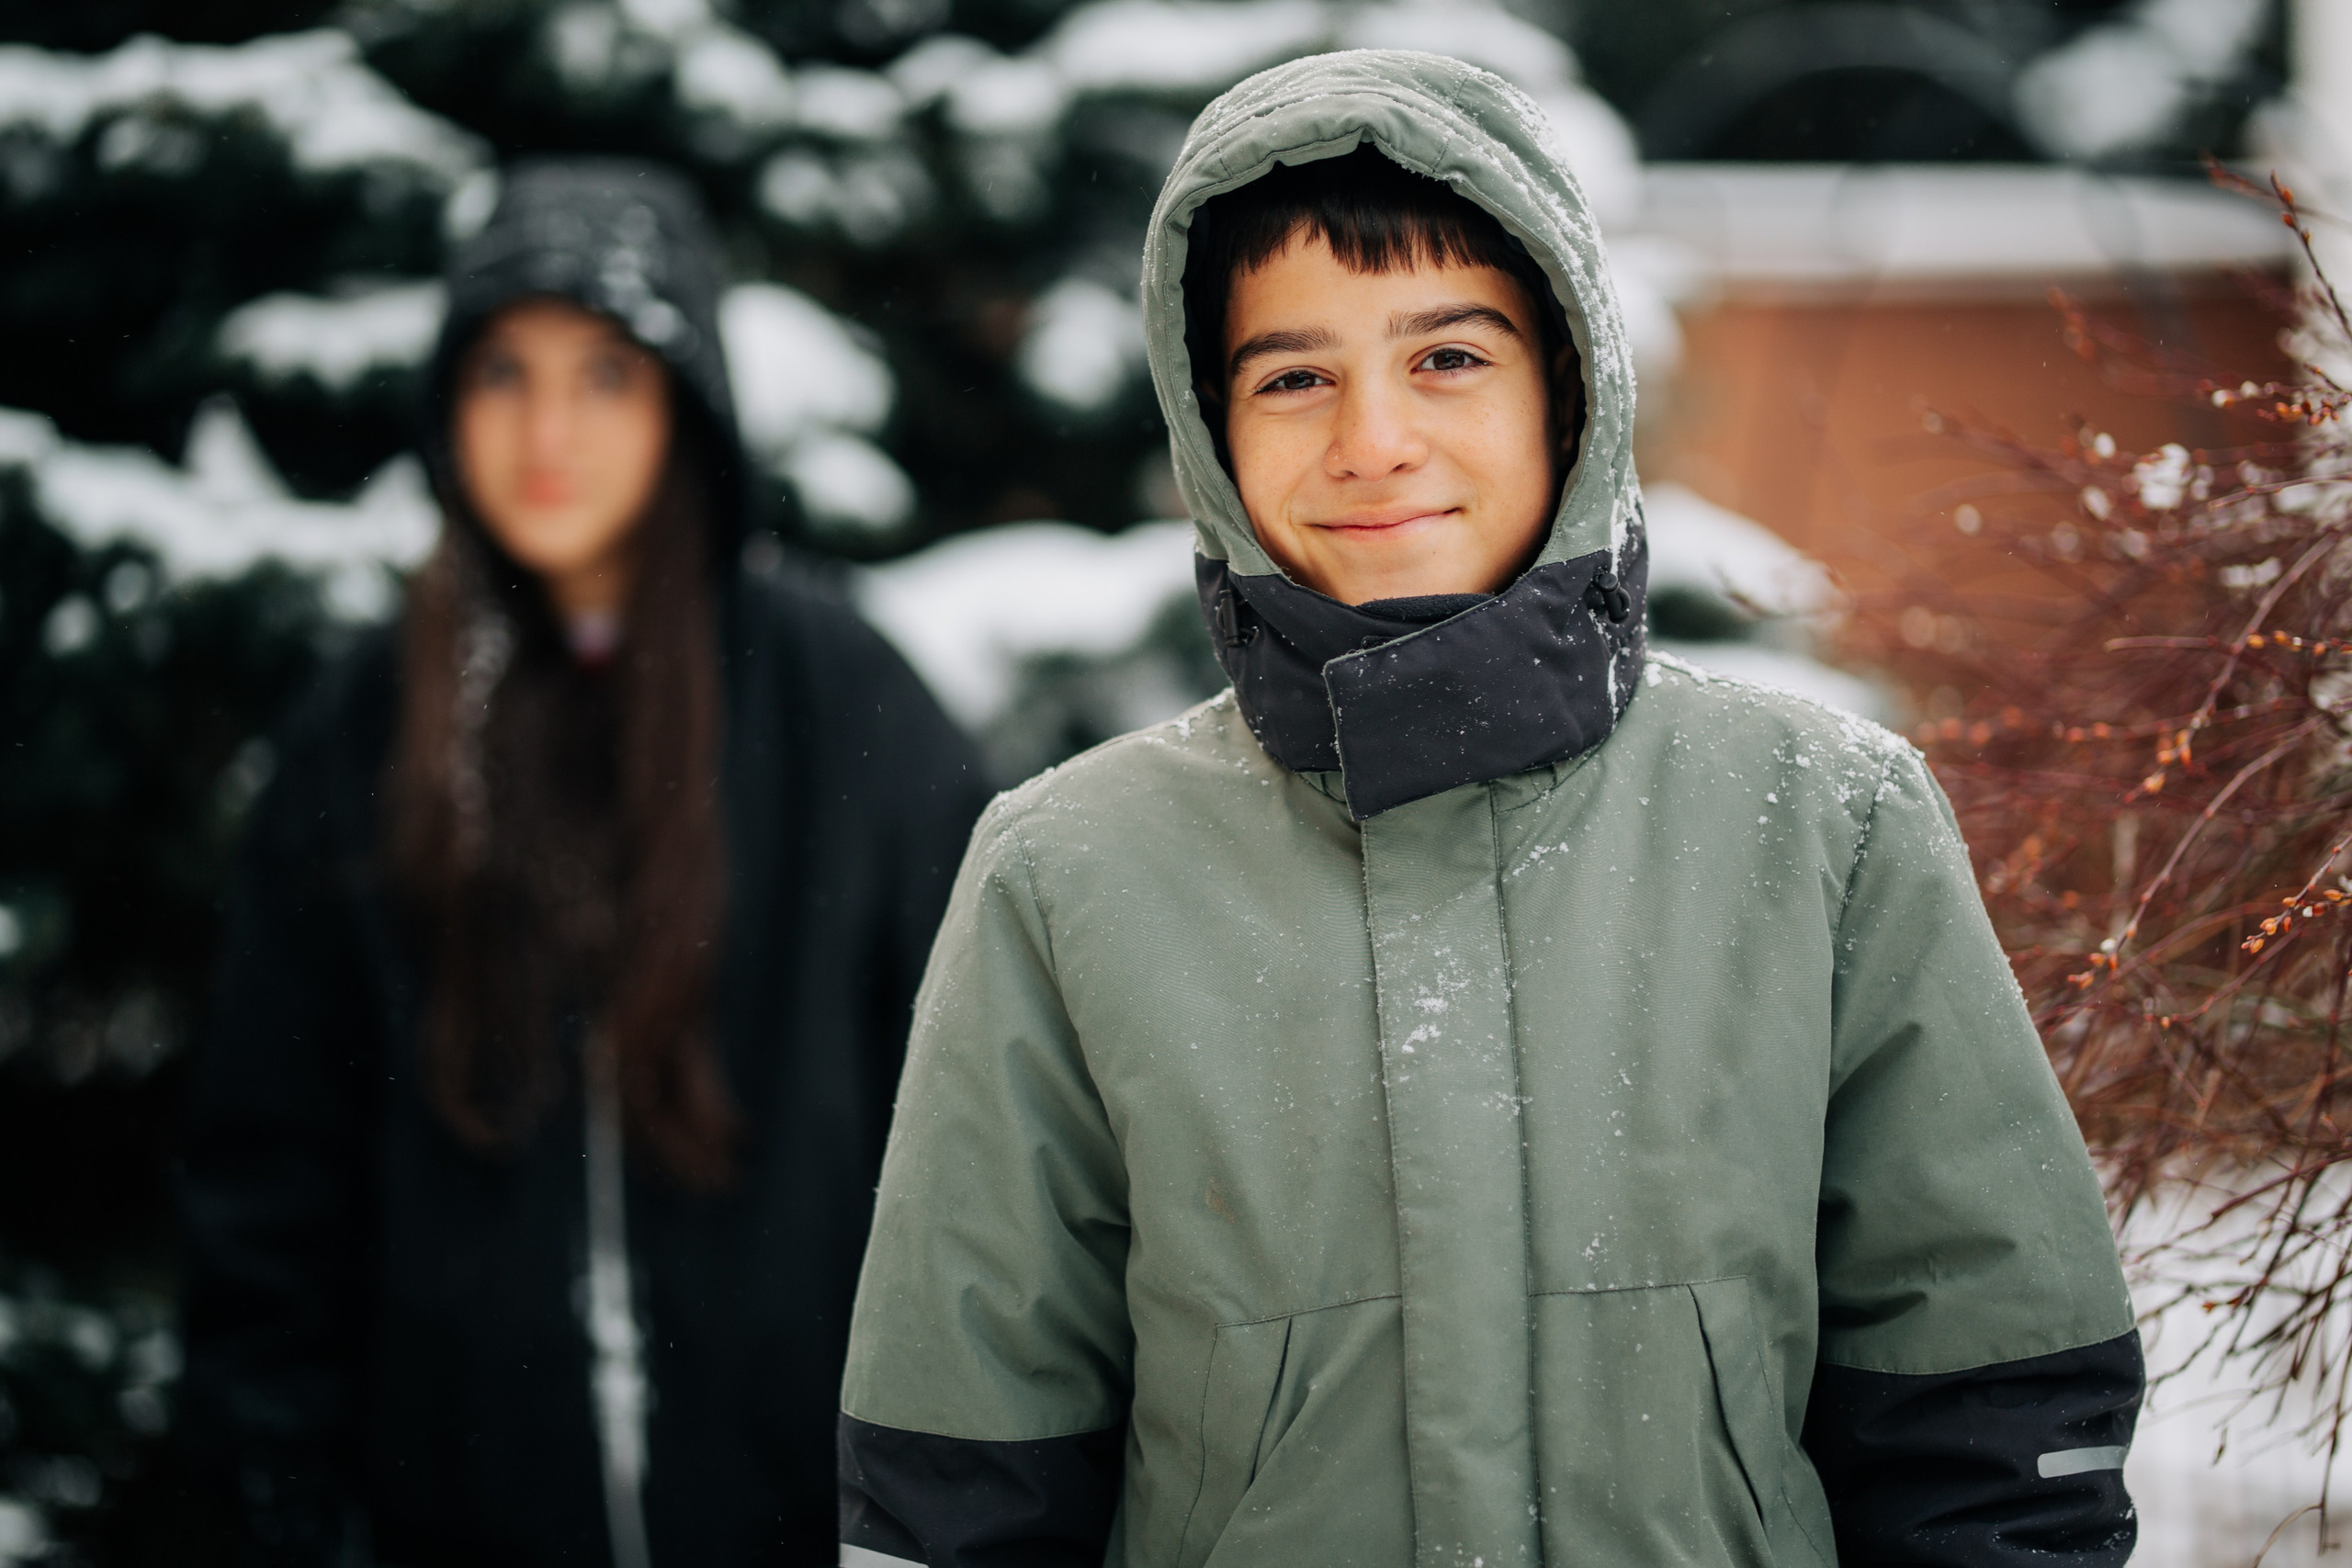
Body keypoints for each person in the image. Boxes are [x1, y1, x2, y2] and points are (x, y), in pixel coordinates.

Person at [836, 52, 2142, 1568]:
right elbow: (962, 1482)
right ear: (1210, 426)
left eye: (1448, 357)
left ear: (1569, 386)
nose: (1372, 438)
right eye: (1293, 375)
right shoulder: (1068, 875)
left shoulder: (1823, 826)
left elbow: (1993, 1430)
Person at [179, 159, 989, 1568]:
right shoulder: (361, 732)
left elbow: (999, 1136)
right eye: (505, 372)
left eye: (606, 374)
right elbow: (270, 1186)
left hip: (816, 1523)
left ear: (688, 404)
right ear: (449, 407)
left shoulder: (844, 704)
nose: (549, 429)